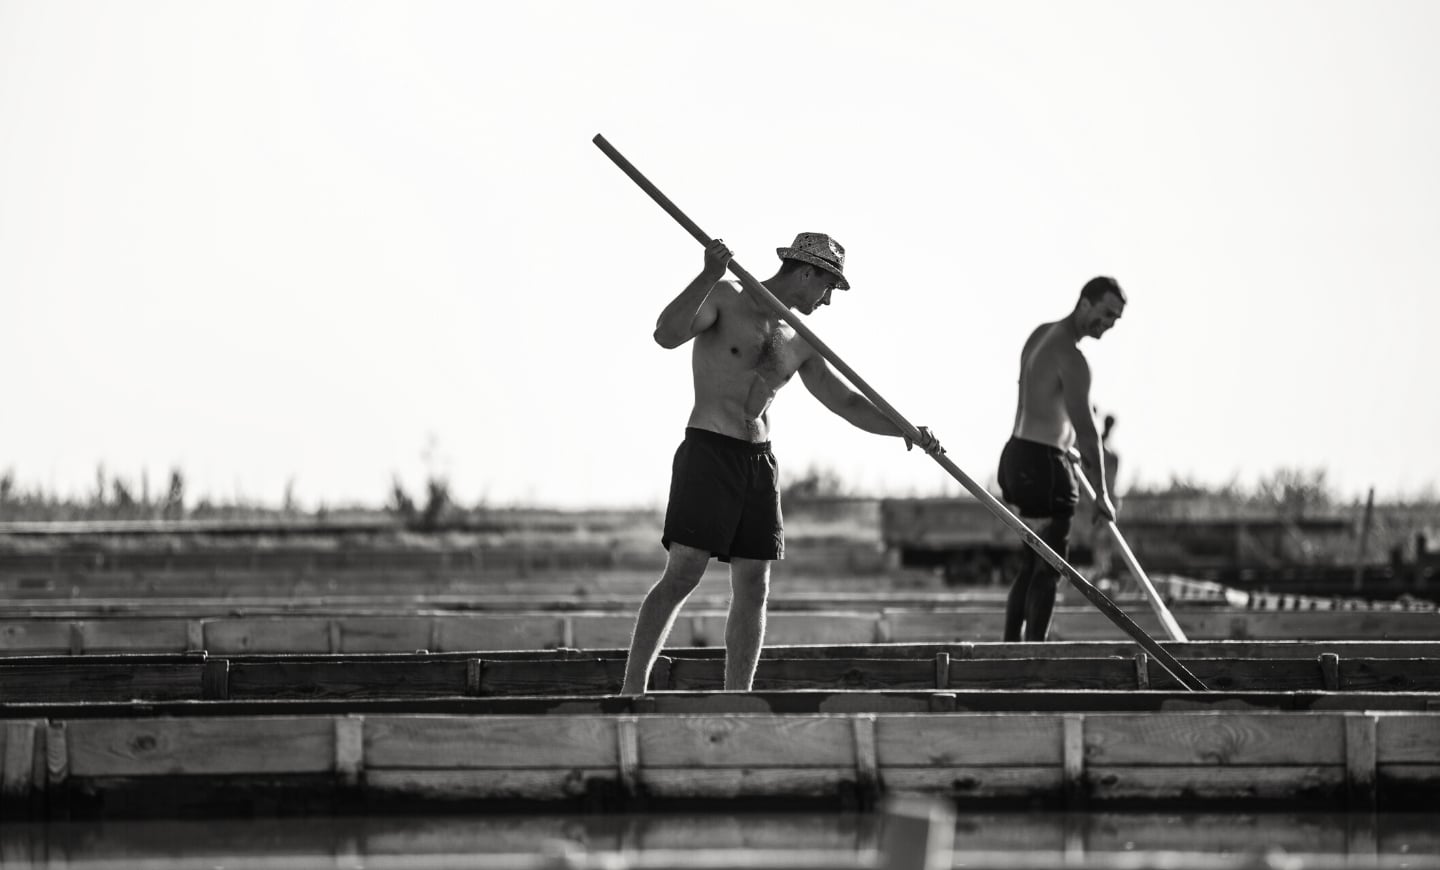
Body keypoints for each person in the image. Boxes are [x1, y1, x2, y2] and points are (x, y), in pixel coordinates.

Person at [620, 232, 943, 694]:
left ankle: (738, 698)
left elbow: (846, 402)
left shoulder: (801, 337)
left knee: (754, 586)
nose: (828, 301)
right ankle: (631, 692)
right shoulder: (727, 298)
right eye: (828, 287)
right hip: (710, 450)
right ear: (806, 273)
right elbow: (665, 334)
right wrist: (708, 273)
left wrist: (905, 429)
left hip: (758, 463)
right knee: (684, 573)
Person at [998, 276, 1125, 642]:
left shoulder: (1041, 335)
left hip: (1017, 455)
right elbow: (1087, 432)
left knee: (1031, 563)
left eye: (1115, 319)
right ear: (1084, 302)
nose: (1108, 324)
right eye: (1105, 313)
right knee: (1051, 569)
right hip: (1043, 465)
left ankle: (1011, 649)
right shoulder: (1072, 357)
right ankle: (1033, 656)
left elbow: (1039, 403)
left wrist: (1060, 441)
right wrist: (1102, 495)